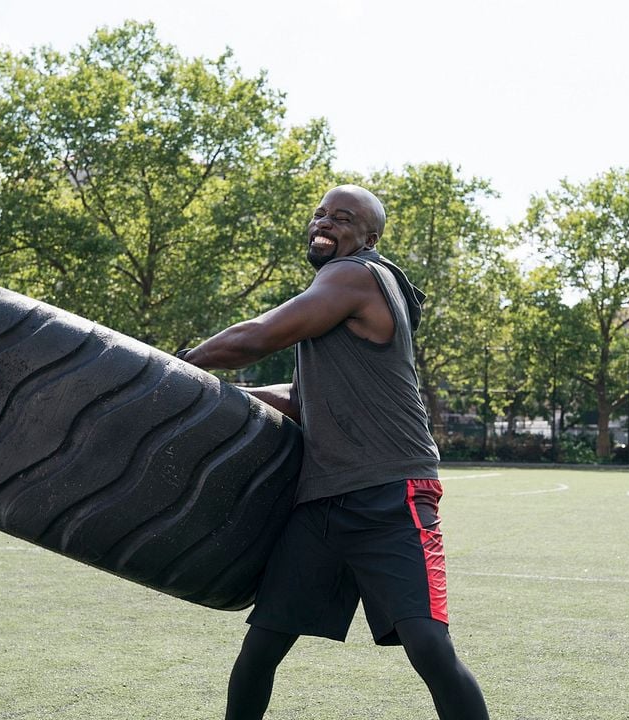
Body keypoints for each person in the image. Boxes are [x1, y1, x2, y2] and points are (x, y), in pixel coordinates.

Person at [177, 184, 490, 720]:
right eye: (319, 213)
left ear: (369, 237)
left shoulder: (356, 275)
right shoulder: (336, 299)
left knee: (428, 645)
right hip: (322, 500)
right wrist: (218, 398)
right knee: (262, 648)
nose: (324, 223)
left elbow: (258, 336)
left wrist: (182, 365)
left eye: (342, 218)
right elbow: (301, 399)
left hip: (391, 491)